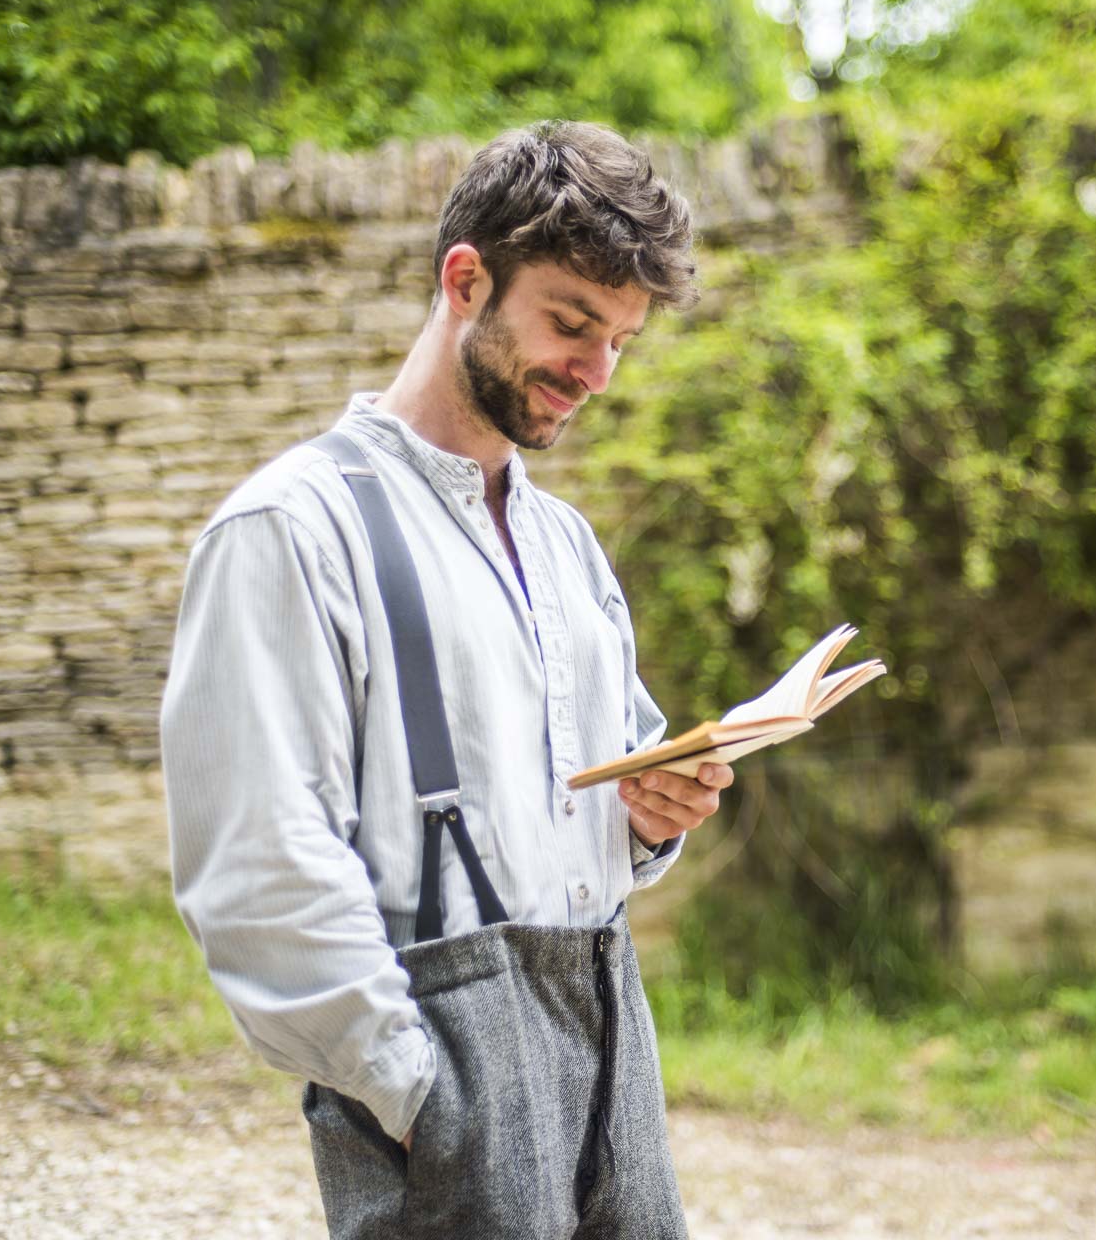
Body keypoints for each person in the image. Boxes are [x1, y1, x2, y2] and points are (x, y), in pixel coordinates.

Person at [159, 120, 732, 1239]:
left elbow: (594, 819)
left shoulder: (567, 545)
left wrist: (656, 815)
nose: (596, 371)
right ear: (465, 278)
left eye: (620, 340)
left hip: (614, 1034)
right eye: (572, 322)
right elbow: (257, 861)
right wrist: (416, 1090)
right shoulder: (291, 529)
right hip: (444, 1068)